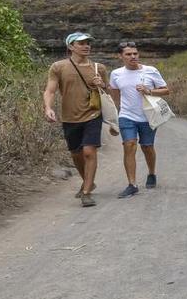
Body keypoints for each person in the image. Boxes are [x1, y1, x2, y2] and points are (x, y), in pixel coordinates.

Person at [43, 32, 114, 207]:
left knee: (89, 152)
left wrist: (102, 85)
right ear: (70, 47)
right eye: (81, 43)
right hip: (69, 117)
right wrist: (48, 107)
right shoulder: (58, 67)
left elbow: (109, 92)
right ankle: (88, 181)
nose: (86, 46)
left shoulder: (99, 68)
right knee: (76, 153)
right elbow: (50, 90)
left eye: (88, 42)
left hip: (93, 114)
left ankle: (87, 192)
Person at [108, 41, 170, 198]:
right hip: (126, 116)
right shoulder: (116, 74)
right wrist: (114, 120)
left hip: (148, 116)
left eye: (135, 53)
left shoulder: (151, 71)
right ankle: (132, 184)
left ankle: (151, 173)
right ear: (120, 56)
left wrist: (149, 90)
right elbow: (115, 99)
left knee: (147, 146)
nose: (133, 56)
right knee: (129, 145)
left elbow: (166, 90)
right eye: (128, 54)